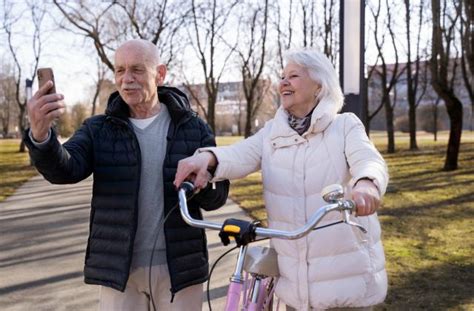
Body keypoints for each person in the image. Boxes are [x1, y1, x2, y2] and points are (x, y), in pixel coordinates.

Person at [174, 49, 389, 311]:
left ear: (319, 85)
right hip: (294, 283)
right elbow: (240, 154)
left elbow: (368, 160)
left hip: (345, 280)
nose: (283, 82)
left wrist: (366, 183)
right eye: (282, 76)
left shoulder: (344, 127)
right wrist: (206, 158)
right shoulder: (273, 133)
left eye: (294, 76)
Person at [24, 39, 229, 311]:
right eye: (119, 70)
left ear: (160, 74)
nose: (126, 79)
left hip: (180, 271)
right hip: (119, 272)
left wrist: (205, 183)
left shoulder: (192, 127)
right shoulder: (98, 129)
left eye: (136, 69)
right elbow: (65, 170)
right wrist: (40, 135)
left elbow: (217, 197)